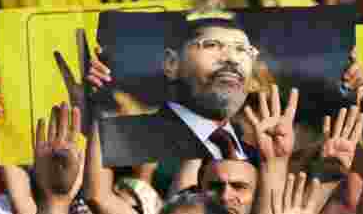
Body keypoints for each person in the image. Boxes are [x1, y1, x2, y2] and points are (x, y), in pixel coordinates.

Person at [90, 12, 262, 166]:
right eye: (212, 45)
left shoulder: (261, 155)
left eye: (241, 49)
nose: (232, 58)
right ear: (172, 63)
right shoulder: (122, 139)